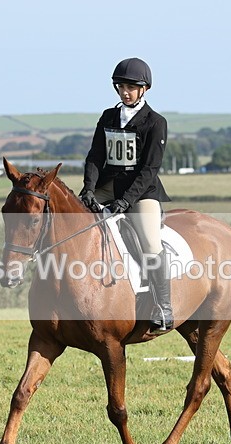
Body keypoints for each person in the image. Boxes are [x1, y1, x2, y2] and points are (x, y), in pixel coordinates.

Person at [79, 57, 173, 332]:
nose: (125, 92)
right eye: (121, 87)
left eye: (131, 87)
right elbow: (95, 156)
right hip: (108, 185)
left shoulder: (155, 122)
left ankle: (163, 306)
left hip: (142, 191)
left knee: (150, 242)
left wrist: (125, 201)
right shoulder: (108, 117)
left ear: (144, 89)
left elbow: (149, 169)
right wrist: (88, 188)